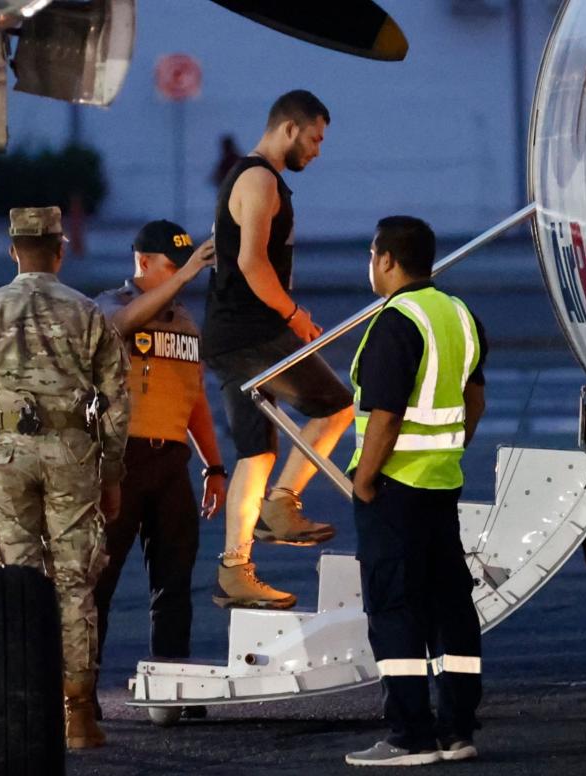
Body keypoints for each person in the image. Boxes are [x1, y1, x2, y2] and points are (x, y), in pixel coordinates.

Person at [0, 207, 130, 749]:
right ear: (61, 247)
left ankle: (16, 703)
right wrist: (112, 471)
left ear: (12, 251)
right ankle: (77, 715)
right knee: (74, 583)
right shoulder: (88, 313)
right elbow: (117, 399)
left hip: (5, 457)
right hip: (72, 453)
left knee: (8, 584)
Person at [202, 89, 354, 609]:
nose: (316, 150)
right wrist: (294, 315)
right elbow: (250, 263)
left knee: (256, 453)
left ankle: (235, 569)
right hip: (252, 335)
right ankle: (281, 507)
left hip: (230, 335)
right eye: (314, 138)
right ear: (289, 129)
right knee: (336, 406)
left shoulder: (246, 178)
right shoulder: (261, 179)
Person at [345, 216, 487, 767]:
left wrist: (363, 479)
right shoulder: (459, 316)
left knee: (395, 607)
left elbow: (385, 413)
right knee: (451, 605)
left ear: (386, 260)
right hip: (441, 483)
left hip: (394, 488)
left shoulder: (395, 322)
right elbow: (475, 399)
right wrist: (451, 447)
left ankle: (409, 735)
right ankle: (455, 729)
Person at [91, 220, 224, 694]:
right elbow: (118, 327)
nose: (184, 274)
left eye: (187, 265)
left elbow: (196, 399)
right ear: (143, 262)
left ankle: (173, 686)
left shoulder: (185, 320)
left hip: (171, 462)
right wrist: (185, 277)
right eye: (173, 265)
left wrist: (214, 464)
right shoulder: (111, 304)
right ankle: (81, 695)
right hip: (119, 461)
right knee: (97, 583)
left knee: (174, 585)